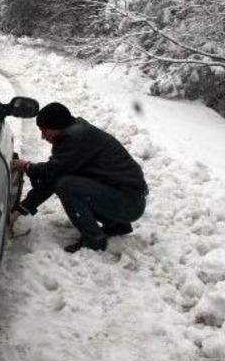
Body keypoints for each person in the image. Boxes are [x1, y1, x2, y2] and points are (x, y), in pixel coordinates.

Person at [9, 102, 148, 253]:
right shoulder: (75, 135)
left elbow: (51, 172)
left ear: (57, 127)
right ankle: (116, 225)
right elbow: (52, 176)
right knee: (66, 181)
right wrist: (22, 209)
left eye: (44, 131)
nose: (43, 137)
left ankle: (94, 240)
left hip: (129, 202)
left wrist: (27, 166)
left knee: (66, 185)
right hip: (125, 197)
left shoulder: (76, 139)